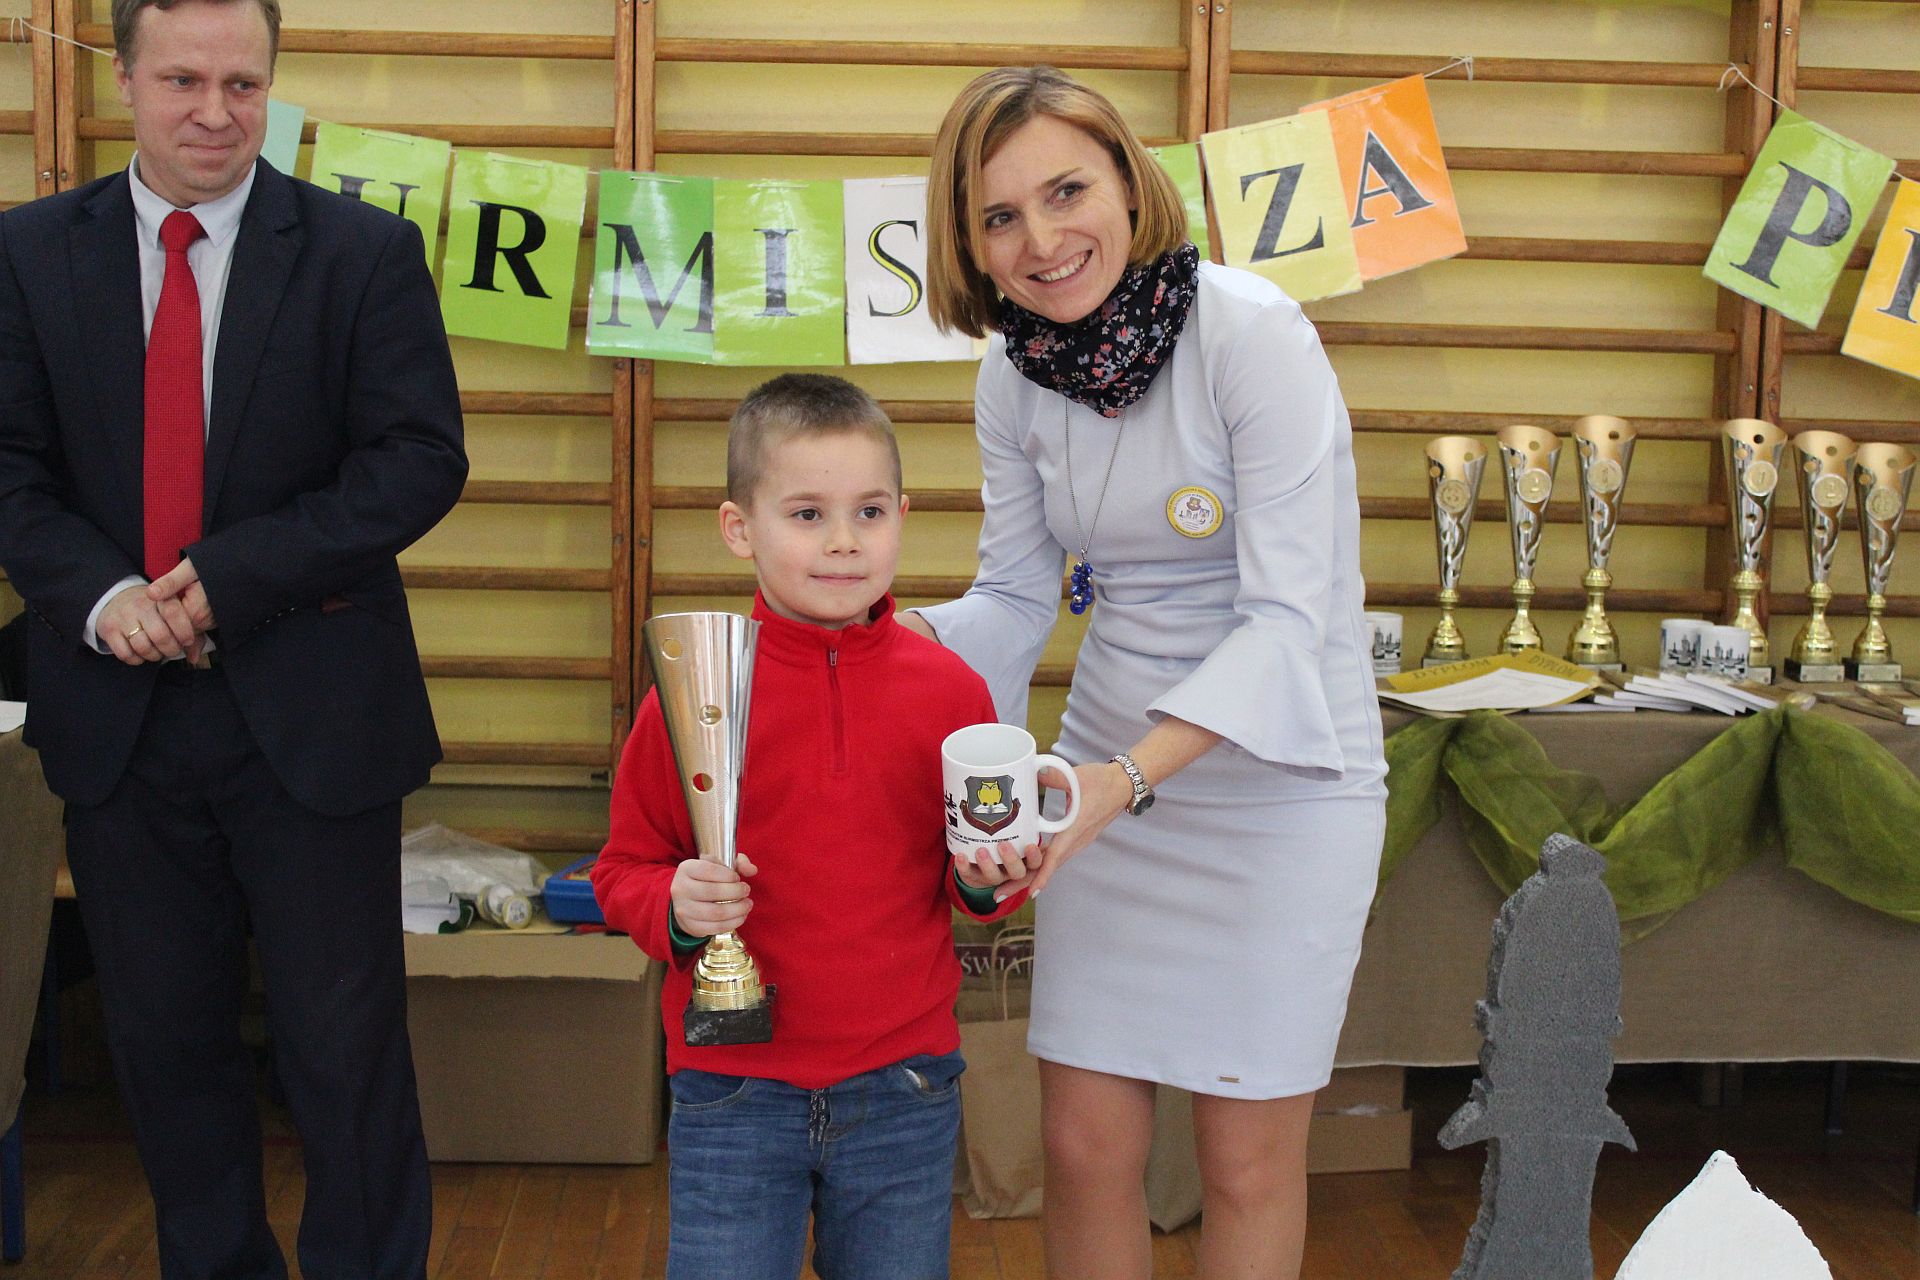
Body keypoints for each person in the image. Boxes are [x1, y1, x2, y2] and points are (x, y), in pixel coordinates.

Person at [0, 1, 466, 1274]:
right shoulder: (28, 254)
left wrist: (227, 578)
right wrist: (104, 596)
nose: (216, 113)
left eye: (244, 85)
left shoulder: (363, 252)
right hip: (119, 721)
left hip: (314, 716)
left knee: (344, 1049)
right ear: (124, 77)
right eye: (184, 82)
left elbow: (418, 458)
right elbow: (10, 470)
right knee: (166, 1046)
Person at [906, 66, 1389, 1279]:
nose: (1041, 240)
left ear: (1129, 180)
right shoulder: (1011, 374)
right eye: (1000, 216)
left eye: (1066, 191)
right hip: (1110, 779)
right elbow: (1017, 597)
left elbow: (1285, 624)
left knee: (1245, 1162)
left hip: (1284, 786)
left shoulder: (1252, 333)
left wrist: (1117, 780)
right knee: (1081, 1145)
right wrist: (879, 640)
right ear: (970, 242)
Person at [593, 374, 1030, 1280]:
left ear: (904, 516)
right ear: (738, 528)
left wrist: (990, 878)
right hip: (733, 1090)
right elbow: (624, 867)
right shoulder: (692, 692)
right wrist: (675, 903)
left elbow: (975, 886)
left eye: (870, 511)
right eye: (806, 515)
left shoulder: (953, 691)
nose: (843, 541)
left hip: (906, 1084)